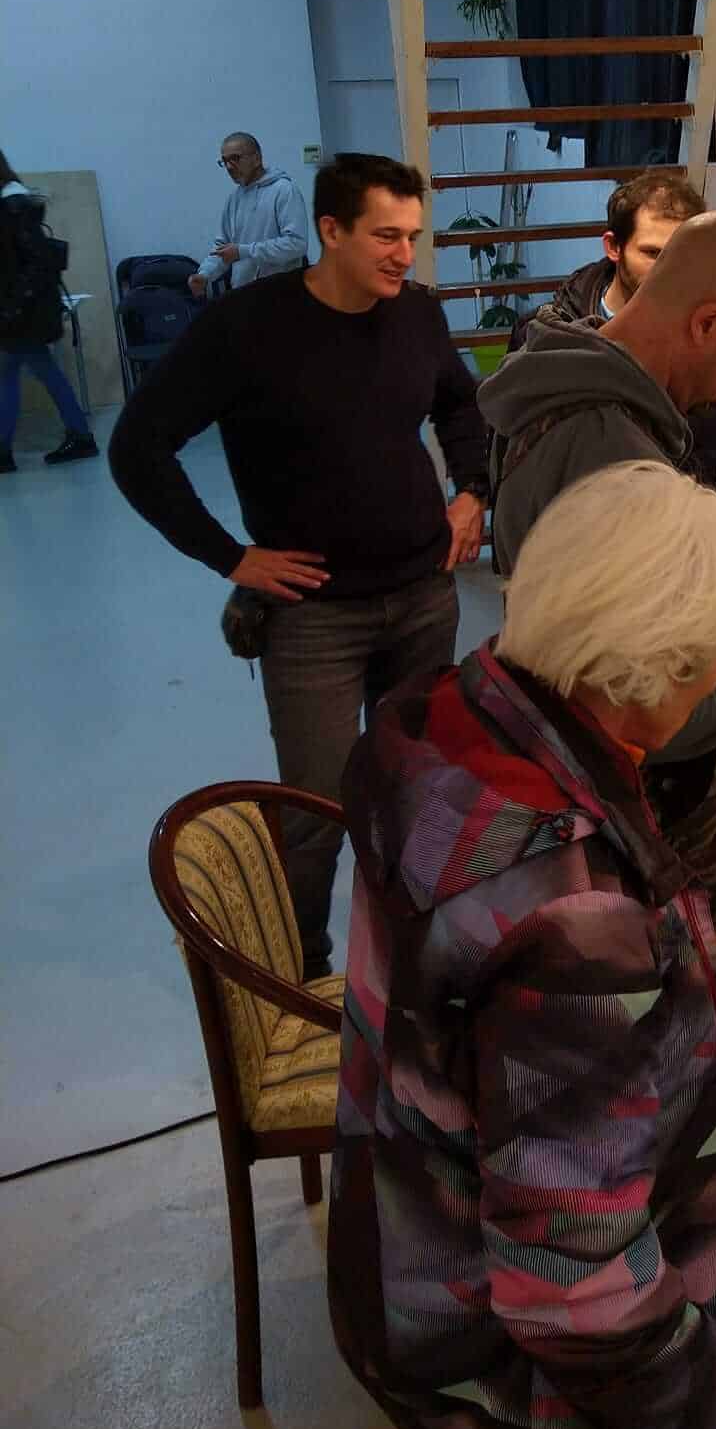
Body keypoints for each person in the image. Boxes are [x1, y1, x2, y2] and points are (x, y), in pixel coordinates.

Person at [329, 461, 716, 1429]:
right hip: (516, 1377)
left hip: (406, 1257)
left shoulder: (438, 716)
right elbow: (573, 1279)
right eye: (712, 657)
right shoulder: (576, 911)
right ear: (650, 666)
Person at [110, 153, 490, 975]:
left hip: (424, 598)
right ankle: (303, 976)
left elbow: (461, 406)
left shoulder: (417, 315)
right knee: (315, 812)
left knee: (417, 789)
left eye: (413, 236)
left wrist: (473, 491)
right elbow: (137, 447)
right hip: (314, 618)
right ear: (330, 230)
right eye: (385, 236)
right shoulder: (245, 327)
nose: (405, 255)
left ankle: (411, 961)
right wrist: (230, 557)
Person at [479, 209, 716, 922]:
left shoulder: (577, 384)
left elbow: (606, 633)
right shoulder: (609, 453)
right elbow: (642, 705)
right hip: (633, 839)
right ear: (708, 323)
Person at [518, 171, 716, 519]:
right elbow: (521, 472)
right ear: (613, 247)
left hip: (696, 540)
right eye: (653, 253)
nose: (668, 271)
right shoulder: (549, 339)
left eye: (682, 255)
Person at [0, 147, 98, 471]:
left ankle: (6, 451)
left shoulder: (13, 205)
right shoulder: (14, 202)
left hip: (24, 313)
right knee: (31, 372)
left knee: (20, 373)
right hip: (25, 310)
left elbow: (34, 264)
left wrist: (12, 308)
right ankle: (79, 435)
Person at [188, 131, 308, 297]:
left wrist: (243, 251)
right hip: (243, 294)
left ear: (256, 158)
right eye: (224, 161)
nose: (229, 167)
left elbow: (296, 244)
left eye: (235, 158)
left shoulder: (284, 190)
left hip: (281, 294)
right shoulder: (234, 199)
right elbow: (223, 247)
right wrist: (204, 274)